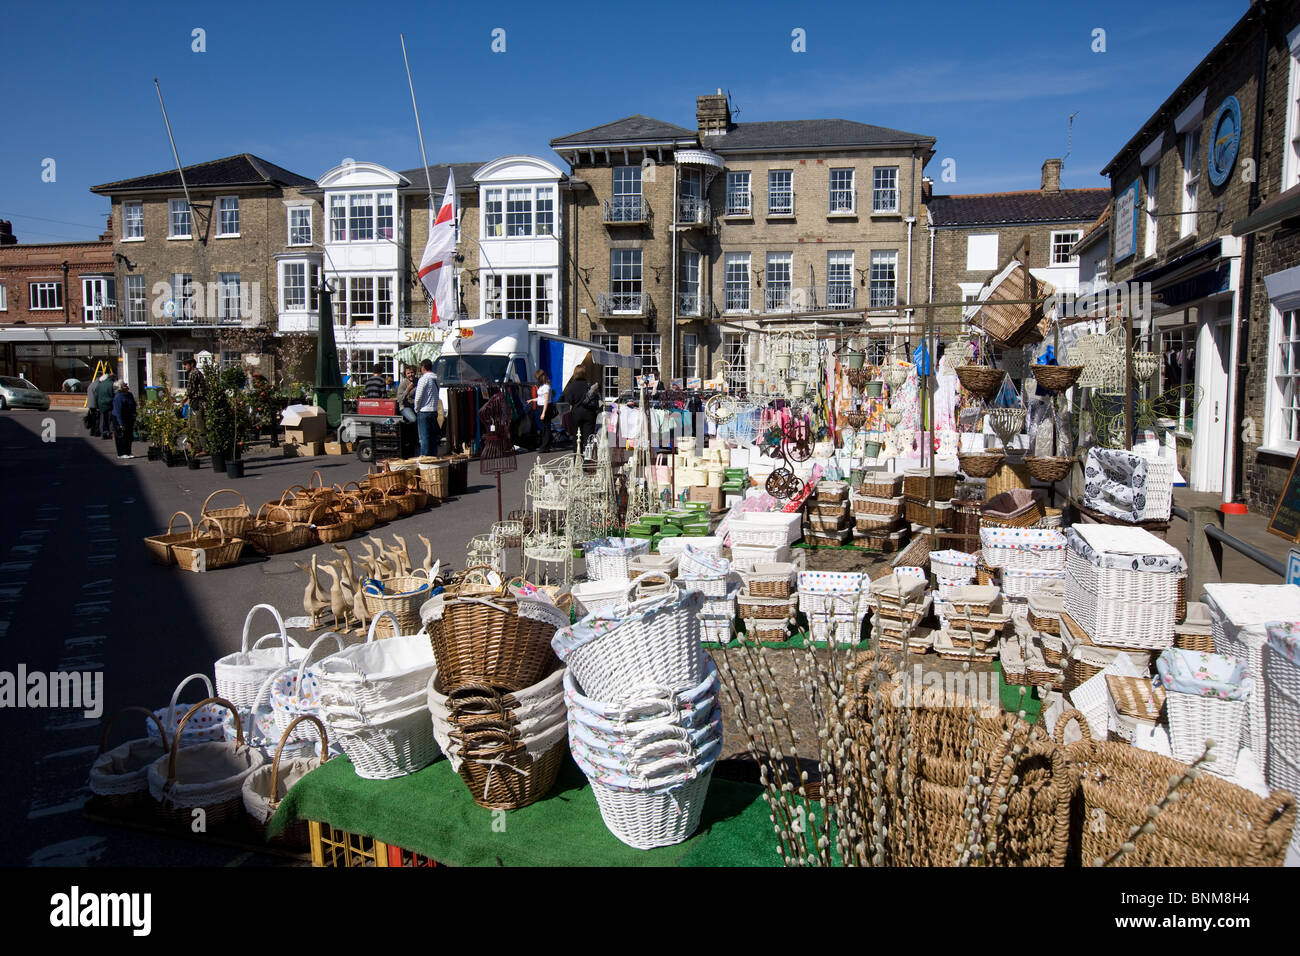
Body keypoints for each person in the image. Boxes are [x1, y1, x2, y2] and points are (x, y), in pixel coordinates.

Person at [561, 366, 602, 449]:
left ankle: (577, 456)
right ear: (584, 373)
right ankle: (588, 457)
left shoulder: (571, 386)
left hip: (576, 413)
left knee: (577, 436)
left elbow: (569, 401)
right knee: (588, 437)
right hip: (589, 413)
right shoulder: (589, 385)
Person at [413, 358, 441, 456]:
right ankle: (433, 458)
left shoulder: (423, 379)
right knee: (433, 437)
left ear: (423, 367)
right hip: (434, 410)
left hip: (424, 411)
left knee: (424, 438)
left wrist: (416, 408)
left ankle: (424, 459)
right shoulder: (436, 379)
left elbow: (418, 397)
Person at [183, 358, 207, 453]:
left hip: (198, 401)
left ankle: (204, 448)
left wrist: (183, 400)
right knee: (193, 425)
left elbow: (190, 390)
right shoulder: (195, 373)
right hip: (195, 402)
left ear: (192, 364)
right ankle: (197, 447)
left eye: (186, 364)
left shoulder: (194, 373)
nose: (184, 367)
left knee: (199, 425)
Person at [529, 369, 556, 453]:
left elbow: (546, 400)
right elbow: (540, 398)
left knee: (546, 427)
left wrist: (543, 413)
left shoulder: (546, 387)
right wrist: (532, 400)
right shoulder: (541, 386)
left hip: (546, 407)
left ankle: (545, 446)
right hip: (541, 406)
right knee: (544, 427)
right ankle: (545, 445)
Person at [111, 381, 137, 459]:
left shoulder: (129, 394)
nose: (127, 386)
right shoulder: (118, 397)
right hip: (119, 418)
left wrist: (134, 414)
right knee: (121, 435)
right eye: (125, 385)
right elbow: (118, 411)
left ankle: (128, 452)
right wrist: (121, 423)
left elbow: (133, 405)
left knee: (129, 435)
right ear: (121, 388)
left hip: (129, 417)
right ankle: (121, 453)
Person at [93, 373, 116, 440]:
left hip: (101, 404)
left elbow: (96, 396)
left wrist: (96, 406)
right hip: (110, 404)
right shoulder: (112, 384)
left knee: (102, 419)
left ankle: (103, 433)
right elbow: (115, 394)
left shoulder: (100, 384)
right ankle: (110, 433)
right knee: (110, 420)